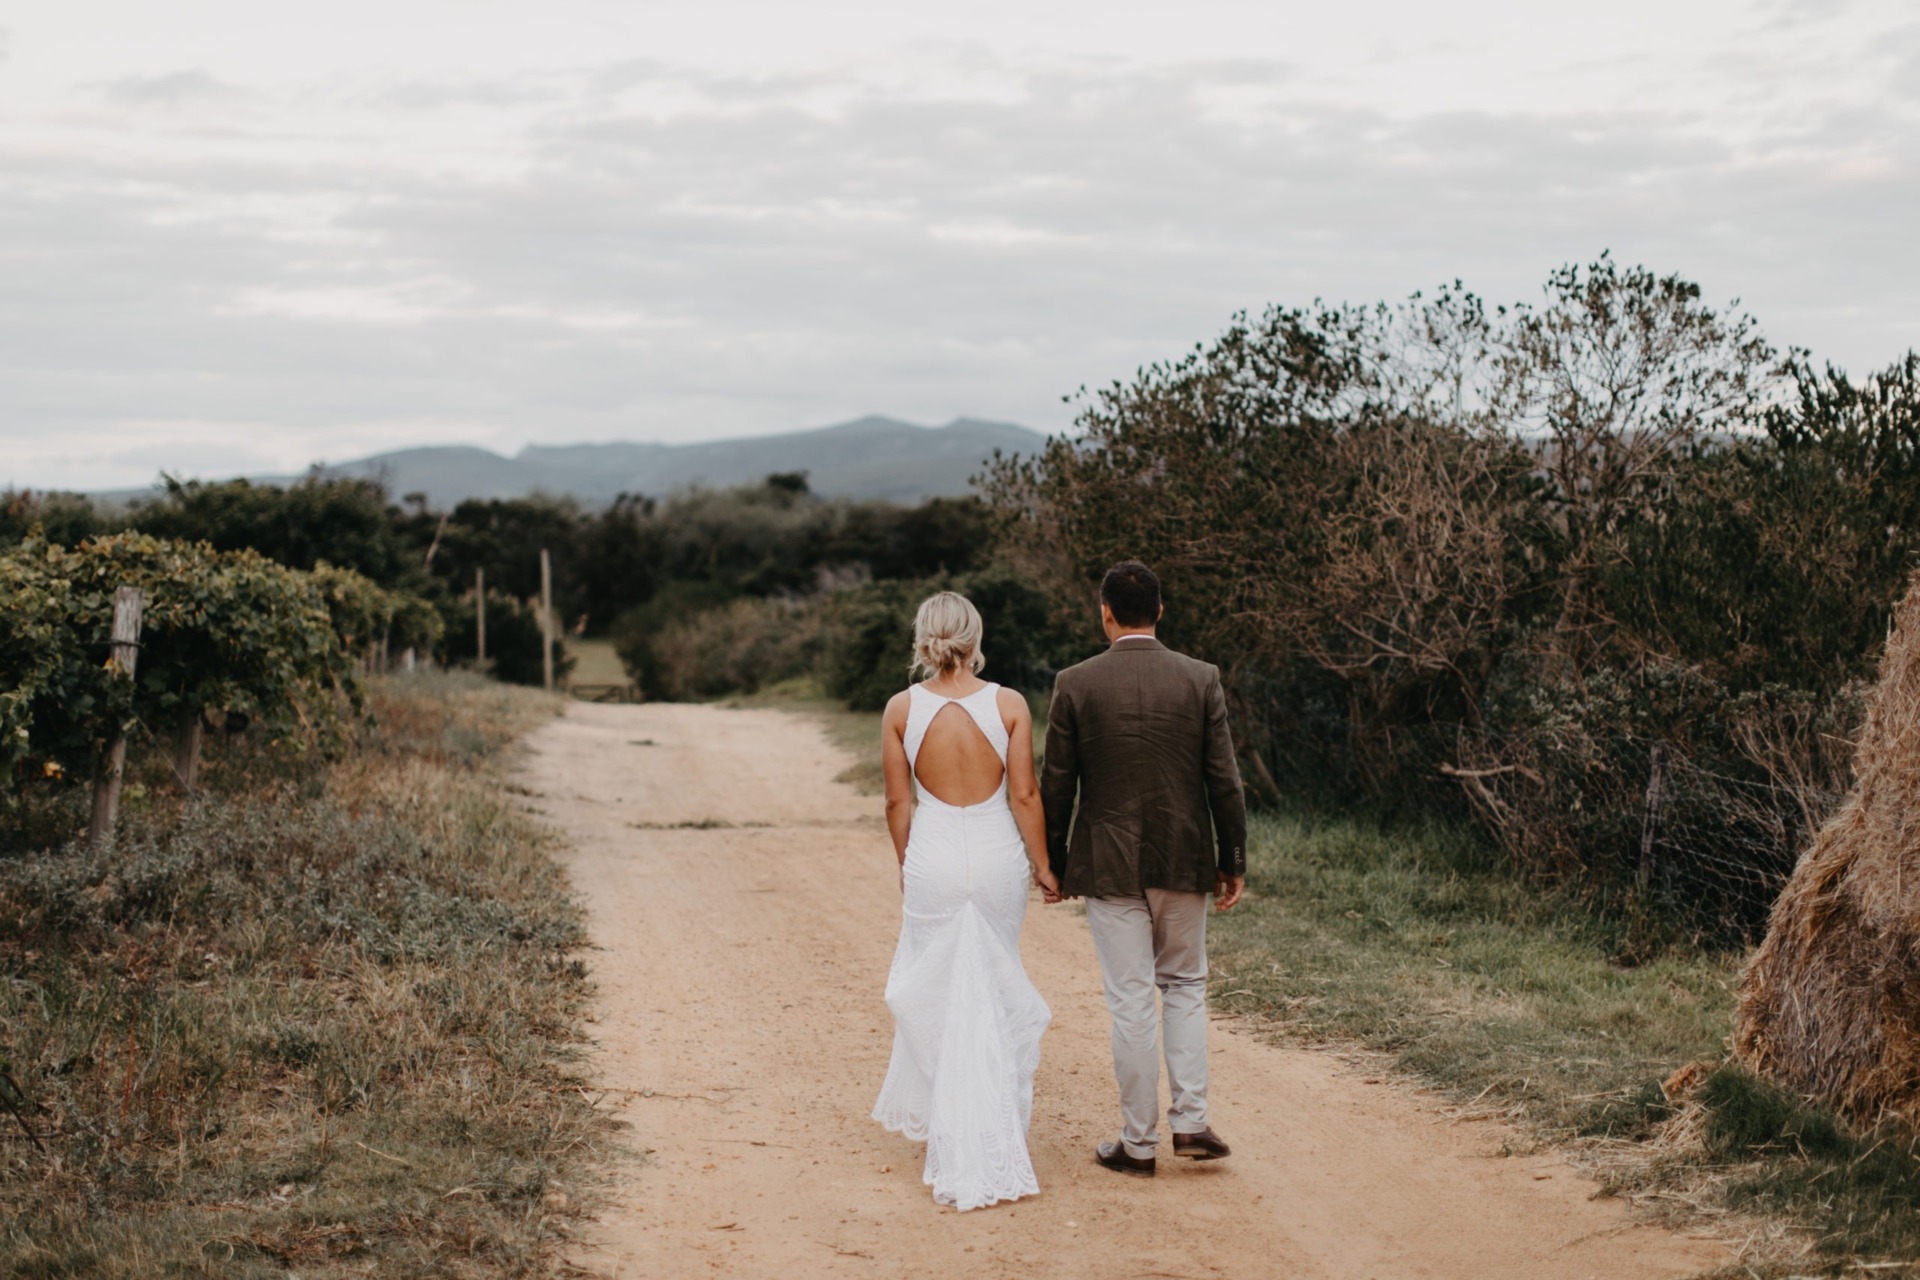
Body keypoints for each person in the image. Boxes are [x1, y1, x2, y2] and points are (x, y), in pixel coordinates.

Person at [1041, 560, 1248, 1177]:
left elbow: (1057, 782)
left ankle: (1137, 1145)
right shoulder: (1200, 678)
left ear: (1104, 612)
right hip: (1183, 857)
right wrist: (1231, 857)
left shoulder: (1073, 683)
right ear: (1160, 611)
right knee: (1183, 987)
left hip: (1106, 863)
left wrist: (1052, 862)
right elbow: (1224, 779)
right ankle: (1191, 1123)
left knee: (1131, 1000)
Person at [871, 591, 1060, 1210]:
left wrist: (907, 862)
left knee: (937, 986)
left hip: (934, 854)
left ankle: (952, 1120)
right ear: (975, 637)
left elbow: (899, 803)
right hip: (996, 853)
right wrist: (1043, 865)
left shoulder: (902, 709)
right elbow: (1025, 796)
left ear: (925, 637)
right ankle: (992, 1119)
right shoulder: (1008, 704)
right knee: (996, 980)